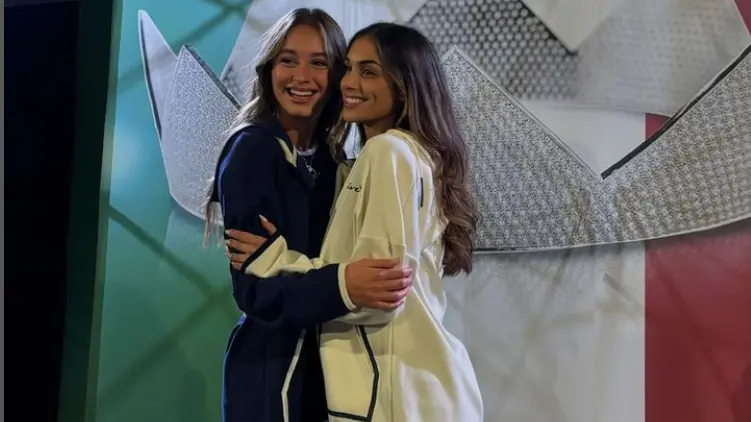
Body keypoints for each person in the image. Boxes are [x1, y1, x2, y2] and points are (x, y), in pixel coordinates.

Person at [225, 22, 484, 422]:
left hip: (389, 392)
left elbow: (376, 291)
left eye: (368, 71)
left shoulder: (386, 153)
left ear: (405, 85)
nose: (348, 82)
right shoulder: (405, 156)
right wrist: (343, 281)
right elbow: (362, 281)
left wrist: (278, 261)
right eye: (348, 68)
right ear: (268, 69)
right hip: (403, 386)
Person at [205, 10, 414, 422]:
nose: (302, 77)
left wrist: (330, 277)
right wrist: (344, 284)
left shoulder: (337, 162)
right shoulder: (253, 150)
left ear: (337, 76)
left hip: (331, 373)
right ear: (269, 69)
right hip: (273, 376)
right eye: (288, 60)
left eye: (319, 63)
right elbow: (257, 290)